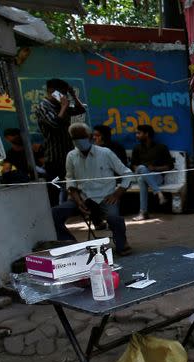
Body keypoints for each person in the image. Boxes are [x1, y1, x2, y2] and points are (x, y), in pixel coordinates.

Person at [52, 123, 134, 256]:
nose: (79, 141)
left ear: (90, 137)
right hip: (83, 198)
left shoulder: (105, 153)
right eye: (75, 138)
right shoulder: (71, 156)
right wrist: (77, 200)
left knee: (115, 218)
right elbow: (70, 180)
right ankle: (70, 244)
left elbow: (127, 173)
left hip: (105, 197)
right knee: (55, 213)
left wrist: (117, 193)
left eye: (82, 137)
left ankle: (122, 243)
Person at [34, 78, 86, 204]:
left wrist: (73, 96)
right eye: (62, 93)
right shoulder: (43, 107)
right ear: (52, 91)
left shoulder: (62, 104)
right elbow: (54, 124)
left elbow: (80, 110)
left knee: (78, 187)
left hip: (69, 155)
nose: (64, 96)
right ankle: (55, 216)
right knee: (55, 186)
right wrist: (63, 107)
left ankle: (91, 215)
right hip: (54, 158)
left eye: (65, 93)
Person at [130, 124, 173, 220]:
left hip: (157, 177)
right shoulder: (137, 148)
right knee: (141, 169)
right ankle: (158, 193)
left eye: (138, 133)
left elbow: (170, 166)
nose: (136, 135)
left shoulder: (161, 147)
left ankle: (143, 213)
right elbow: (133, 165)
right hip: (140, 173)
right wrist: (142, 169)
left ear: (147, 134)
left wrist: (154, 168)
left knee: (142, 179)